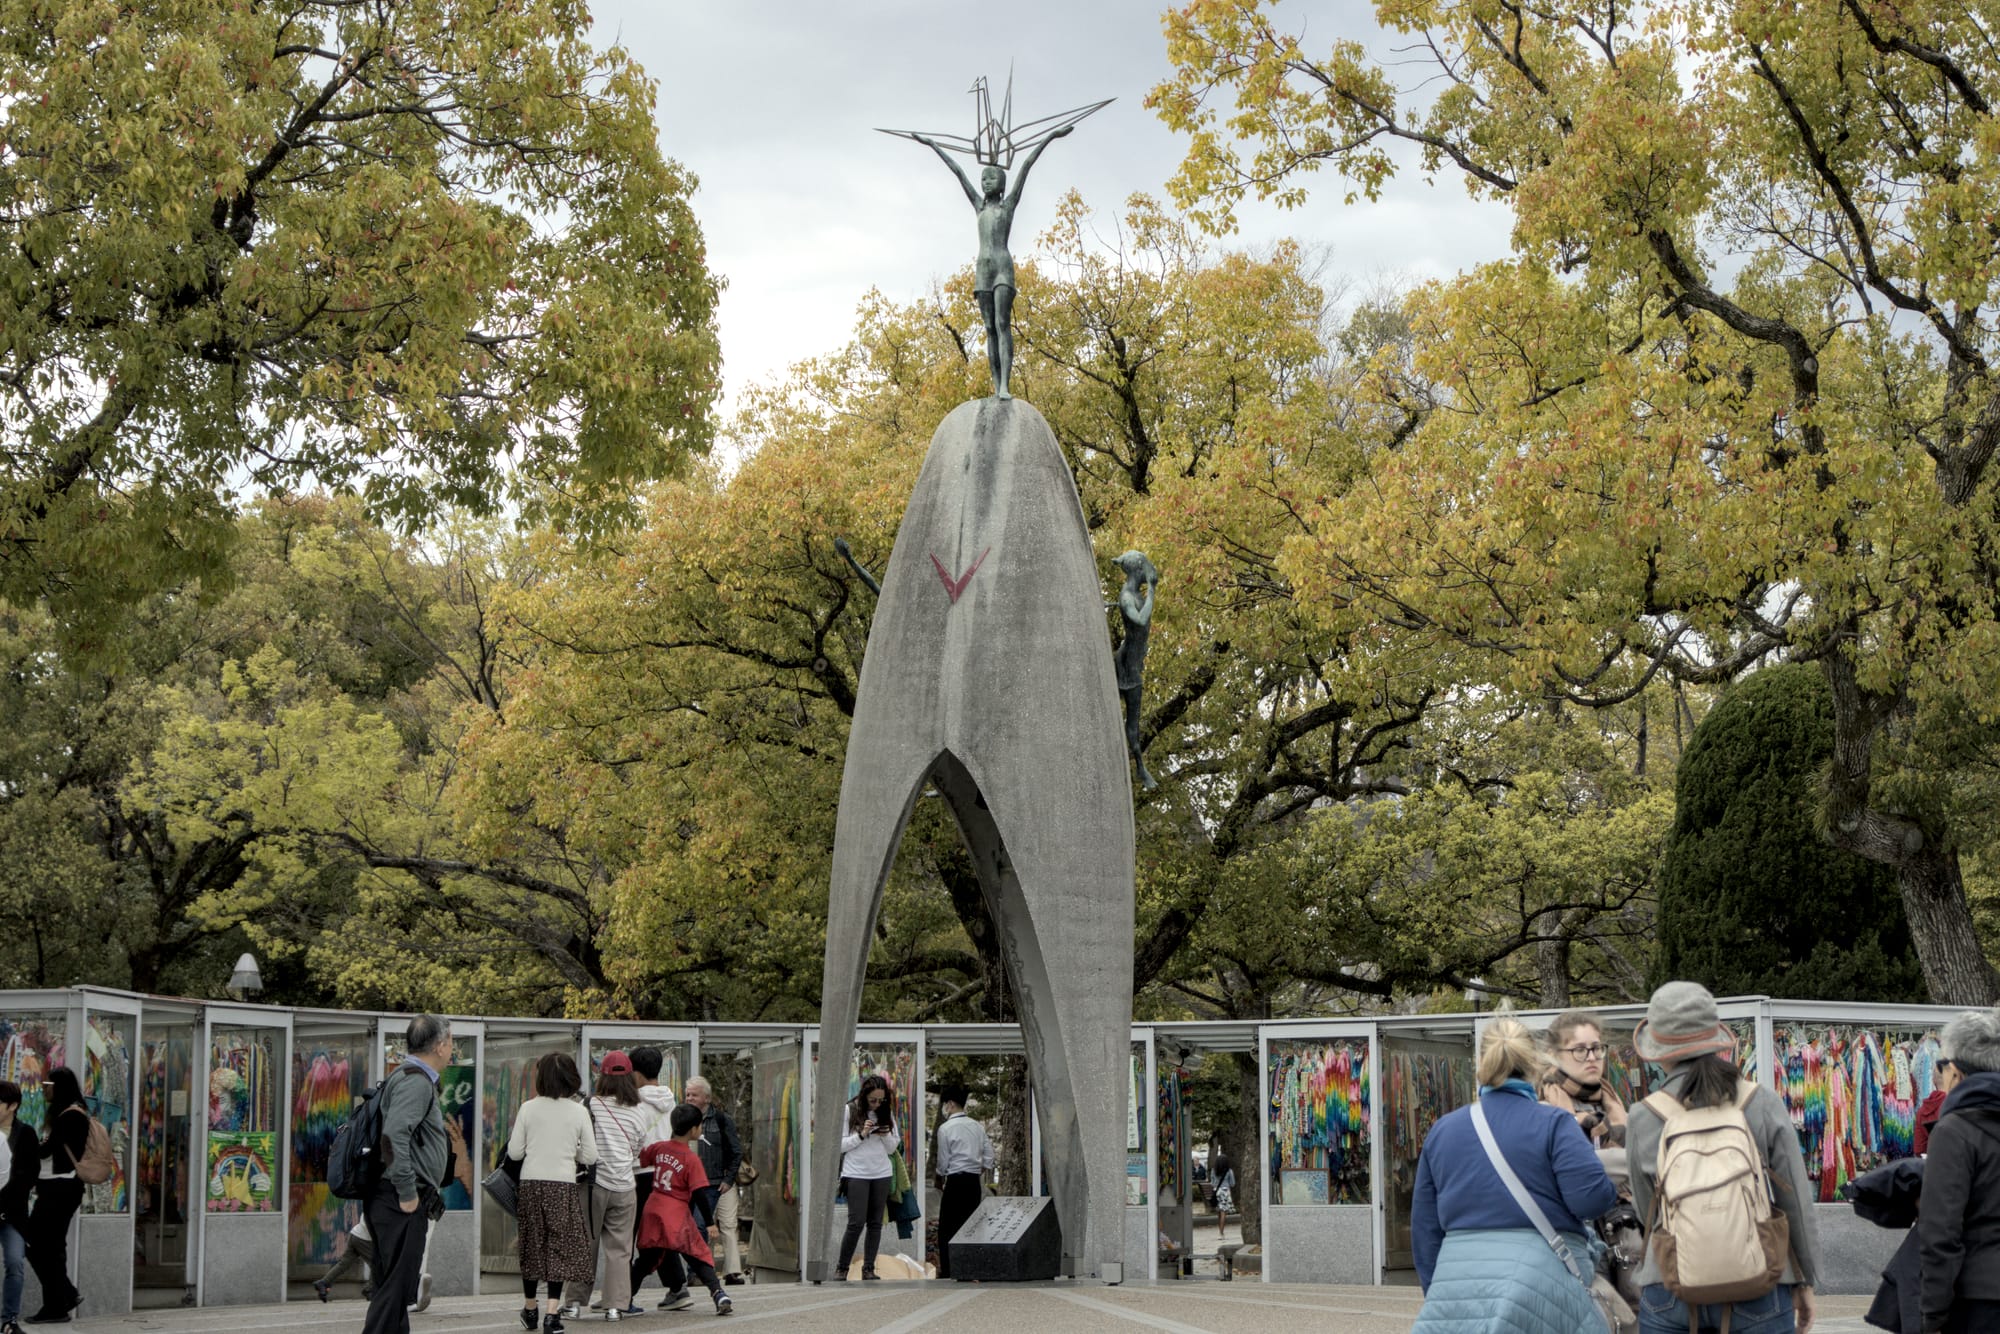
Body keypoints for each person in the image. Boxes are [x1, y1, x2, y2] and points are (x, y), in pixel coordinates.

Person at [1625, 982, 1819, 1334]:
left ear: (1659, 1050)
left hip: (1669, 1285)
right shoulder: (1760, 1102)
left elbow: (1647, 1212)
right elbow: (1796, 1201)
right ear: (1716, 1040)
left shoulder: (1642, 1116)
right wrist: (1804, 1278)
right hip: (1761, 1279)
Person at [1410, 1015, 1618, 1334]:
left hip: (1457, 1288)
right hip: (1543, 1283)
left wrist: (1442, 1294)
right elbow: (1591, 1200)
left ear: (1482, 1063)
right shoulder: (1555, 1123)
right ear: (1533, 1063)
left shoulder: (1443, 1130)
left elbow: (1425, 1230)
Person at [905, 124, 1074, 399]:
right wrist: (933, 145)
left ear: (1002, 183)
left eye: (991, 178)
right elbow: (958, 172)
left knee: (1002, 323)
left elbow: (1028, 164)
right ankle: (996, 385)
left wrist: (1051, 137)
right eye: (984, 178)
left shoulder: (1008, 206)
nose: (985, 182)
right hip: (983, 269)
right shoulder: (979, 206)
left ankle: (1005, 385)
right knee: (988, 328)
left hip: (1002, 268)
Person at [363, 1015, 452, 1334]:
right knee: (396, 1291)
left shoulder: (406, 1076)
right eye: (451, 1041)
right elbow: (394, 1135)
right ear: (441, 1045)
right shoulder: (415, 1081)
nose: (452, 1048)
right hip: (399, 1201)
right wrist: (408, 1193)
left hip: (391, 1199)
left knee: (395, 1290)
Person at [1917, 1005, 2000, 1333]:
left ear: (1956, 1070)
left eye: (1941, 1066)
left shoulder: (1953, 1131)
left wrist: (1932, 1315)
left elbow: (1940, 1232)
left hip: (1978, 1299)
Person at [507, 1051, 597, 1334]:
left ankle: (530, 1308)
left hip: (532, 1184)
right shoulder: (579, 1111)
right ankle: (551, 1315)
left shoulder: (528, 1108)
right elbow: (591, 1156)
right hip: (563, 1185)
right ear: (571, 1078)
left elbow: (514, 1152)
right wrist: (573, 1151)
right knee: (560, 1247)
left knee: (533, 1245)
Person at [635, 1104, 732, 1317]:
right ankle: (718, 1293)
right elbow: (699, 1193)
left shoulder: (660, 1148)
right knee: (697, 1254)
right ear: (694, 1130)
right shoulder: (691, 1159)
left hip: (653, 1211)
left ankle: (623, 1298)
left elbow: (642, 1157)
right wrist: (709, 1222)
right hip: (676, 1213)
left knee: (646, 1260)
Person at [626, 1049, 691, 1309]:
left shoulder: (633, 1103)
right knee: (659, 1231)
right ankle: (677, 1287)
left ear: (636, 1072)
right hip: (667, 1172)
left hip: (640, 1172)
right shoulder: (670, 1101)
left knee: (631, 1235)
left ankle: (623, 1292)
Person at [585, 1052, 648, 1320]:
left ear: (604, 1076)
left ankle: (574, 1302)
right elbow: (637, 1148)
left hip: (595, 1185)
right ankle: (615, 1306)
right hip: (625, 1186)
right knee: (620, 1249)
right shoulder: (637, 1112)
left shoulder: (591, 1104)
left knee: (587, 1243)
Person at [26, 1068, 88, 1324]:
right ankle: (58, 1303)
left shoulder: (70, 1116)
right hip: (59, 1188)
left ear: (60, 1086)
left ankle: (61, 1297)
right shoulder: (69, 1113)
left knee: (34, 1242)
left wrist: (25, 1144)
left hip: (60, 1189)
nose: (43, 1089)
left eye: (48, 1084)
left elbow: (48, 1151)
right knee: (51, 1248)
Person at [831, 1075, 897, 1280]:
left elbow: (893, 1147)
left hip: (881, 1172)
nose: (877, 1104)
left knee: (875, 1223)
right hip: (856, 1172)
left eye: (881, 1100)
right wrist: (862, 1134)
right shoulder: (849, 1110)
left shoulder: (887, 1113)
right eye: (873, 1100)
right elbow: (840, 1145)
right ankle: (842, 1268)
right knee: (856, 1222)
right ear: (864, 1096)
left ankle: (869, 1268)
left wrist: (885, 1134)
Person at [684, 1076, 744, 1285]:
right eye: (688, 1094)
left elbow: (737, 1151)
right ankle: (701, 1270)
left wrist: (729, 1179)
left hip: (721, 1182)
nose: (689, 1098)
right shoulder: (682, 1118)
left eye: (694, 1095)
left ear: (706, 1098)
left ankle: (732, 1272)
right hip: (696, 1185)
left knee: (727, 1226)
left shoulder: (721, 1119)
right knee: (701, 1225)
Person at [932, 1085, 993, 1279]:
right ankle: (971, 1267)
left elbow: (943, 1160)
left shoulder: (945, 1128)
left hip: (955, 1181)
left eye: (944, 1104)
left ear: (949, 1104)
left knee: (948, 1227)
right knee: (971, 1225)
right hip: (973, 1182)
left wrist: (940, 1176)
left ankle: (950, 1269)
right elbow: (990, 1157)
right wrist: (979, 1169)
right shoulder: (977, 1126)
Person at [1542, 1010, 1628, 1148]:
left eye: (1596, 1048)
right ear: (1554, 1056)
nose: (1592, 1057)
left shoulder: (1618, 1110)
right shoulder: (1544, 1114)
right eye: (1580, 1050)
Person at [0, 1081, 38, 1334]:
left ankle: (9, 1320)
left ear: (12, 1106)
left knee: (15, 1263)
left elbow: (30, 1173)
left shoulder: (25, 1133)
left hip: (12, 1213)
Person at [1914, 1056, 1963, 1156]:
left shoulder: (1922, 1111)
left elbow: (1919, 1150)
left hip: (1934, 1164)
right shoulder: (1960, 1104)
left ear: (1933, 1080)